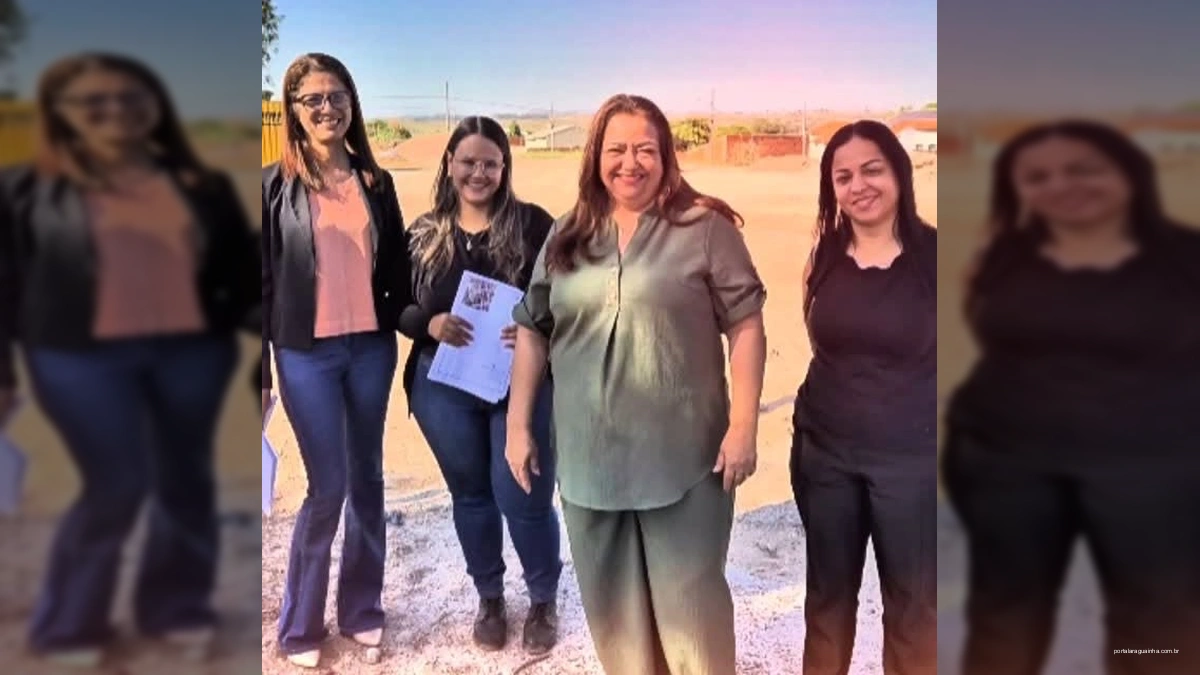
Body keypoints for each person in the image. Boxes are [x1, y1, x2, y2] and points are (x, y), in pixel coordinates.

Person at [0, 52, 258, 666]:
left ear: (155, 107)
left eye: (131, 97)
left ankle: (175, 606)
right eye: (94, 100)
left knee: (187, 479)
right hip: (78, 358)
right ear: (60, 112)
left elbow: (241, 280)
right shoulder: (23, 189)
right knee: (116, 482)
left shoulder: (203, 186)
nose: (115, 109)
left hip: (191, 353)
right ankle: (70, 620)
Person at [505, 93, 767, 675]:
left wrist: (744, 425)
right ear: (595, 155)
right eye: (616, 149)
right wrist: (518, 425)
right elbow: (532, 328)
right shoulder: (567, 235)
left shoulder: (706, 228)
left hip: (686, 463)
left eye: (645, 149)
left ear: (666, 155)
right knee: (617, 629)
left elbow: (745, 324)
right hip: (590, 463)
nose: (631, 162)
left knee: (693, 624)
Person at [942, 120, 1200, 675]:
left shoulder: (1187, 259)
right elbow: (989, 334)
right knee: (1005, 617)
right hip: (1009, 465)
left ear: (1128, 171)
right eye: (1038, 176)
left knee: (1153, 625)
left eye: (1084, 168)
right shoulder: (1006, 255)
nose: (1062, 184)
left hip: (1151, 471)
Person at [261, 52, 412, 669]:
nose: (327, 108)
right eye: (313, 99)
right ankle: (300, 626)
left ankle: (362, 610)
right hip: (306, 354)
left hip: (370, 351)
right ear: (294, 111)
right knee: (328, 488)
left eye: (337, 96)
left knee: (368, 482)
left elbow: (398, 277)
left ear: (353, 104)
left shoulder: (378, 184)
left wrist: (428, 324)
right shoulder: (271, 185)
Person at [398, 115, 563, 655]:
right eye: (468, 162)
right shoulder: (423, 235)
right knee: (470, 495)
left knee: (524, 494)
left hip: (521, 385)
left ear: (504, 168)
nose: (479, 173)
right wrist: (429, 322)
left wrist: (537, 325)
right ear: (449, 165)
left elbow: (568, 295)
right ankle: (490, 597)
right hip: (443, 386)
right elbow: (392, 303)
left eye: (490, 163)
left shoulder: (536, 225)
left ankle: (543, 597)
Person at [791, 120, 937, 675]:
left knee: (915, 610)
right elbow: (820, 341)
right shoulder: (824, 255)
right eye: (843, 176)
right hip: (827, 457)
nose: (859, 186)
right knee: (826, 604)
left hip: (914, 464)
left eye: (872, 169)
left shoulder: (938, 257)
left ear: (898, 171)